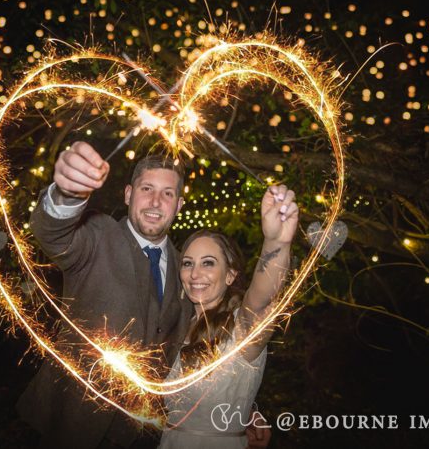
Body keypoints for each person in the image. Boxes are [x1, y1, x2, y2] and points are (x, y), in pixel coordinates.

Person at [16, 141, 193, 448]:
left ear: (178, 205)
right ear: (128, 194)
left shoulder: (187, 268)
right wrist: (67, 194)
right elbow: (52, 233)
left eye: (168, 193)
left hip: (142, 435)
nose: (155, 201)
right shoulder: (98, 234)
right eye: (146, 188)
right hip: (68, 425)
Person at [158, 184, 298, 449]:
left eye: (208, 263)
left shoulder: (241, 326)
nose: (195, 274)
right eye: (188, 263)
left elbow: (261, 298)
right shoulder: (177, 327)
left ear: (231, 275)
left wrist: (276, 242)